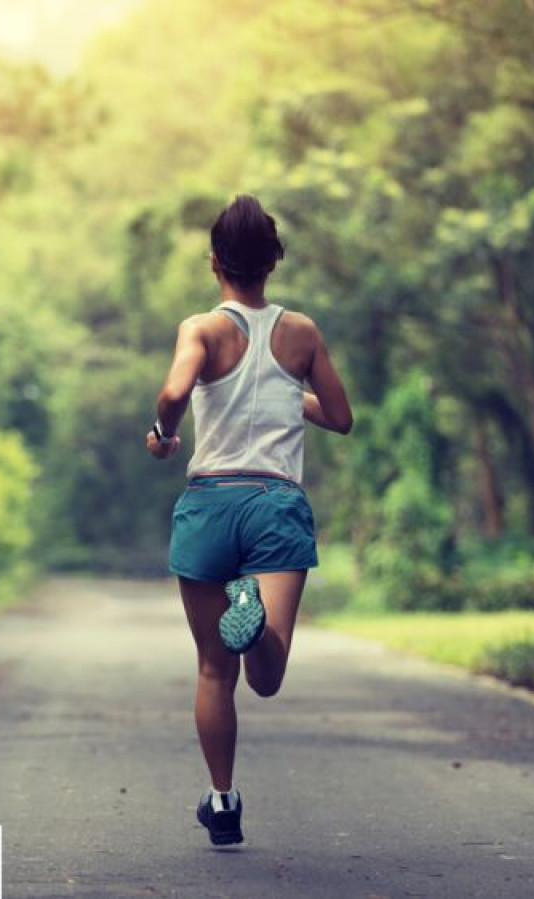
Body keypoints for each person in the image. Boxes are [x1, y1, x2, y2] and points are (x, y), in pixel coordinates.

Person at [146, 194, 353, 847]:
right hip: (275, 503)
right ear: (275, 260)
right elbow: (342, 416)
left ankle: (223, 800)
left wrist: (162, 432)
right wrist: (295, 394)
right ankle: (256, 623)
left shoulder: (201, 329)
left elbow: (177, 392)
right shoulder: (302, 332)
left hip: (210, 502)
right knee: (266, 676)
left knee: (213, 669)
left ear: (215, 263)